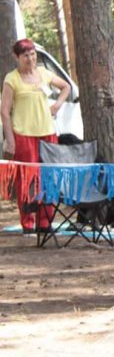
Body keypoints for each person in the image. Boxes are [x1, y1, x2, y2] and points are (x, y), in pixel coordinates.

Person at [1, 39, 71, 233]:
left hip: (47, 133)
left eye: (32, 54)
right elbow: (4, 111)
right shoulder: (12, 79)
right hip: (23, 134)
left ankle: (45, 222)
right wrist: (10, 139)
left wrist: (57, 105)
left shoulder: (44, 73)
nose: (30, 59)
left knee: (48, 178)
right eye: (25, 55)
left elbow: (66, 87)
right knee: (27, 180)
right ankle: (28, 223)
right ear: (17, 57)